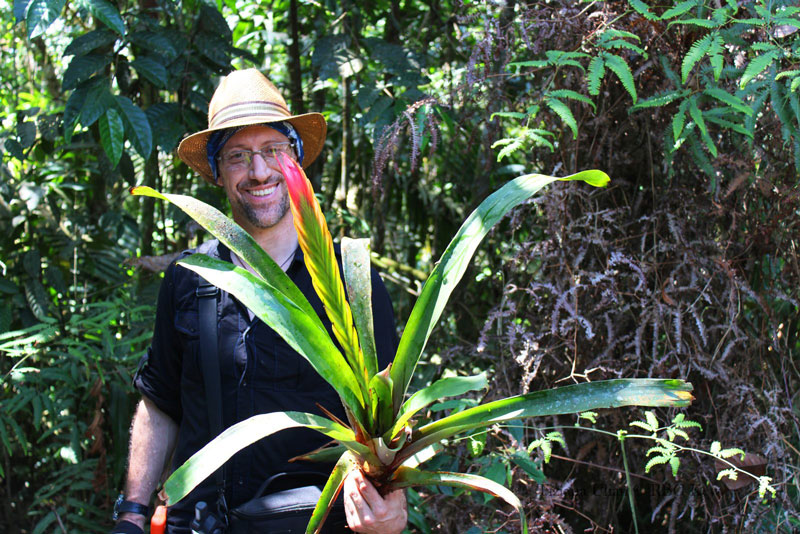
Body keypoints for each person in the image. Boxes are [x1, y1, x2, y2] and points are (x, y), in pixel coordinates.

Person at [111, 69, 408, 534]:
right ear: (217, 172)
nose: (259, 171)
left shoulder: (353, 282)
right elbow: (160, 400)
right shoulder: (191, 277)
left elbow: (389, 419)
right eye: (237, 156)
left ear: (297, 161)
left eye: (274, 150)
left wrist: (392, 508)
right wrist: (132, 511)